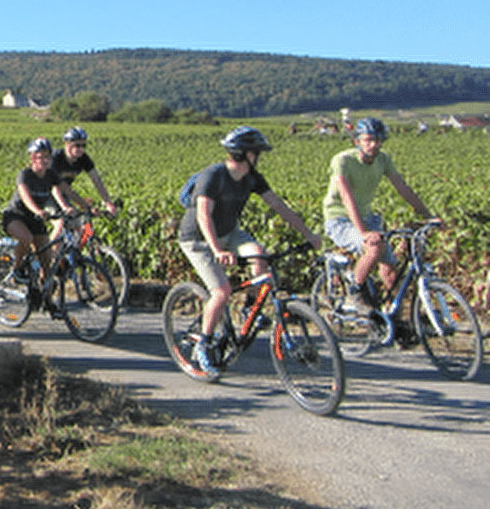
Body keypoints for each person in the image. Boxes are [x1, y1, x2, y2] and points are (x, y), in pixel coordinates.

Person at [177, 126, 321, 377]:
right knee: (221, 291)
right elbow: (203, 215)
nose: (260, 157)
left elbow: (279, 206)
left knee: (259, 255)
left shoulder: (251, 178)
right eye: (258, 152)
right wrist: (216, 249)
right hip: (198, 239)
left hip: (229, 232)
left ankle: (249, 310)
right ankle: (204, 344)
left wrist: (309, 235)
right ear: (246, 154)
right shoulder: (213, 175)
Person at [321, 117, 433, 307]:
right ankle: (354, 292)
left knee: (390, 269)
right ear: (357, 141)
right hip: (339, 219)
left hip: (367, 217)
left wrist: (428, 217)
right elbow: (347, 198)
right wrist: (364, 232)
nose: (374, 145)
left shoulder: (383, 159)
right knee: (374, 248)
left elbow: (403, 188)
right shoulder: (343, 160)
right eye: (368, 140)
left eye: (378, 140)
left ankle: (393, 315)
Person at [1, 138, 77, 285]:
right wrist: (39, 211)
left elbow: (67, 191)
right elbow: (25, 196)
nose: (44, 160)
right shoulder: (25, 174)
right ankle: (17, 269)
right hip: (16, 216)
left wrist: (79, 207)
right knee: (27, 238)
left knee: (46, 260)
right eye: (40, 157)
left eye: (47, 156)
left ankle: (43, 293)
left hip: (35, 220)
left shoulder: (51, 175)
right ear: (32, 158)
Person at [52, 127, 118, 214]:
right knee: (59, 219)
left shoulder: (83, 158)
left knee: (77, 219)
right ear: (67, 144)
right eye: (77, 145)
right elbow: (54, 187)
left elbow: (97, 180)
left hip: (64, 194)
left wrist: (108, 203)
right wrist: (65, 207)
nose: (81, 149)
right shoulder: (55, 158)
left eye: (83, 145)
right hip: (44, 194)